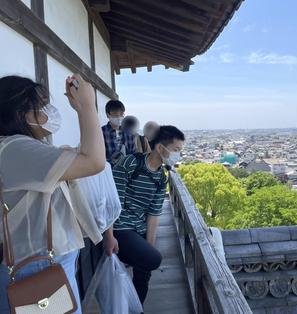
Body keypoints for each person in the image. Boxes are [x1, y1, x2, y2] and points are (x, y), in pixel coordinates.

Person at [0, 74, 105, 313]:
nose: (47, 113)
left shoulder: (15, 148)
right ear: (20, 114)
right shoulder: (16, 148)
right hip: (38, 267)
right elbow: (94, 161)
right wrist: (87, 106)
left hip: (36, 263)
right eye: (41, 106)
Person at [103, 125, 185, 303]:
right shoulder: (130, 163)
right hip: (120, 226)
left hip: (138, 227)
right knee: (153, 260)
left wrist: (149, 246)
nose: (179, 154)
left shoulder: (161, 177)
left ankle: (136, 306)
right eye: (176, 150)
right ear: (160, 148)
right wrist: (108, 236)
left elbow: (154, 215)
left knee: (145, 270)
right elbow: (111, 201)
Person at [101, 100, 135, 165]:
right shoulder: (101, 132)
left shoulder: (129, 133)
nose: (119, 117)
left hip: (126, 172)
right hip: (109, 171)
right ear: (108, 115)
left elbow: (133, 155)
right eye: (115, 115)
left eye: (121, 114)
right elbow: (98, 157)